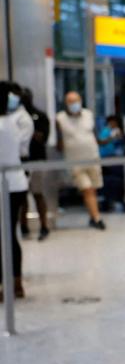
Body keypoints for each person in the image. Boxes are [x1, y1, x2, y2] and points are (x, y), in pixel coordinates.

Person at [56, 91, 106, 230]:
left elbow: (95, 136)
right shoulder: (60, 119)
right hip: (75, 162)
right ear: (66, 103)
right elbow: (59, 142)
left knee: (93, 189)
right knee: (87, 188)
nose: (74, 104)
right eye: (70, 101)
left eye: (76, 100)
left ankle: (92, 216)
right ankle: (97, 218)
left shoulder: (89, 115)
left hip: (92, 158)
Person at [0, 86, 31, 298]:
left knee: (4, 236)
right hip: (16, 183)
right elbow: (22, 149)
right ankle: (15, 282)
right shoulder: (11, 123)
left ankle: (7, 284)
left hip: (5, 185)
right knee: (9, 234)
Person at [17, 88, 53, 240]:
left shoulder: (40, 116)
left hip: (37, 159)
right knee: (22, 196)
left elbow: (42, 138)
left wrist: (30, 132)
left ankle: (44, 226)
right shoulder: (15, 118)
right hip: (20, 161)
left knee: (38, 193)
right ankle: (23, 226)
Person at [97, 115, 125, 212]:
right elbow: (101, 142)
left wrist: (119, 136)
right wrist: (111, 137)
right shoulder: (105, 131)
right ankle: (107, 200)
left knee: (119, 180)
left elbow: (121, 143)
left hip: (115, 158)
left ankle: (119, 199)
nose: (113, 124)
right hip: (105, 159)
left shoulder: (117, 131)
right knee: (107, 181)